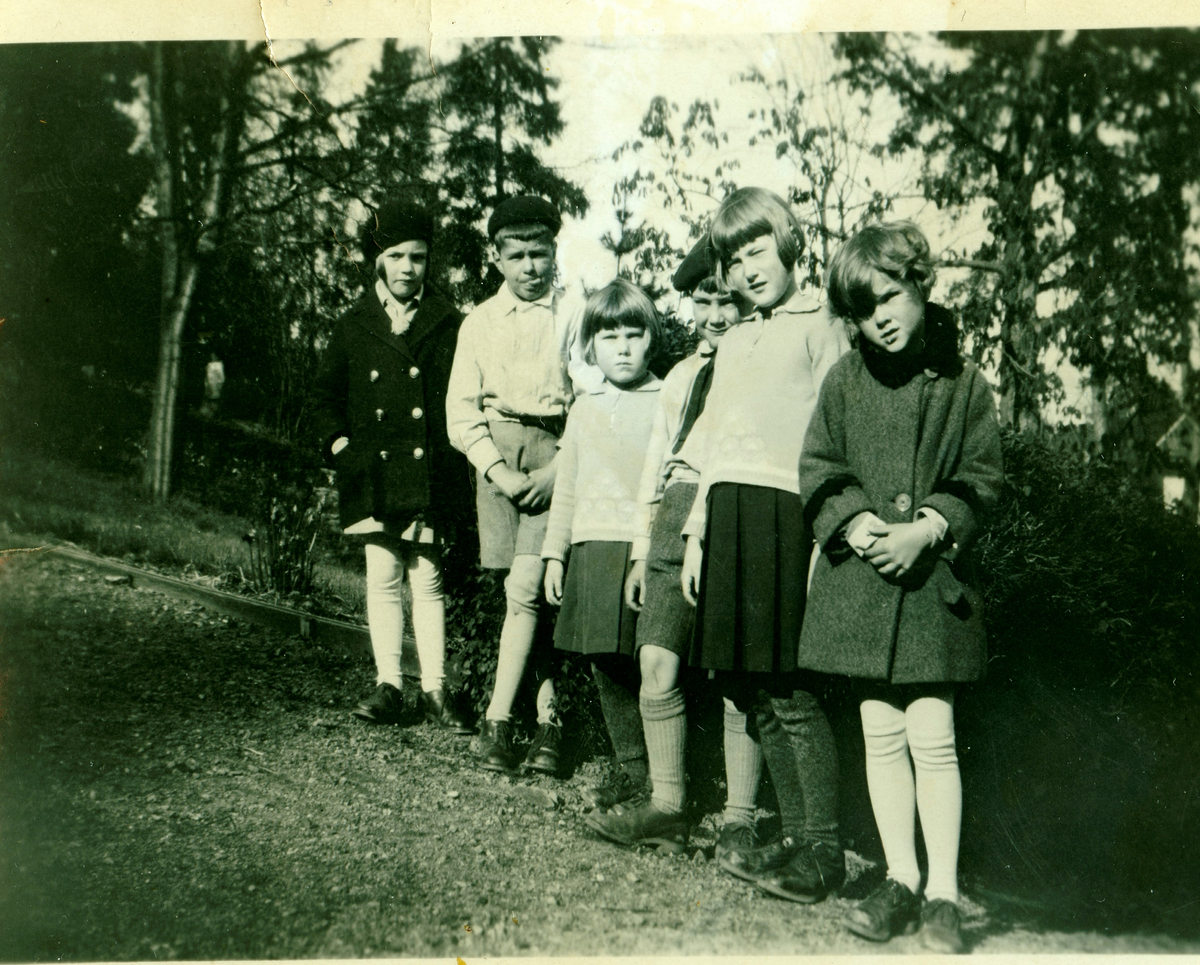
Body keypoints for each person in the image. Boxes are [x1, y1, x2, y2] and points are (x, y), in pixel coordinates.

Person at [797, 221, 1003, 952]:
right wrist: (850, 523)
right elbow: (819, 465)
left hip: (930, 586)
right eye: (863, 308)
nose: (880, 316)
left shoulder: (964, 382)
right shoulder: (845, 380)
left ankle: (944, 892)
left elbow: (982, 478)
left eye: (890, 295)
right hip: (862, 584)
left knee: (933, 734)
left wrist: (929, 526)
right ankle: (901, 877)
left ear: (921, 283)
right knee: (879, 731)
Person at [677, 187, 850, 902]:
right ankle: (799, 833)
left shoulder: (821, 321)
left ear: (785, 243)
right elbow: (712, 440)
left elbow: (839, 427)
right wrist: (695, 533)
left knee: (792, 687)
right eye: (733, 258)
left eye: (757, 251)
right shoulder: (736, 335)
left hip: (788, 514)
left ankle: (824, 848)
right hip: (729, 513)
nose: (747, 270)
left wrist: (823, 531)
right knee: (750, 688)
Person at [584, 236, 762, 854]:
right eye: (703, 302)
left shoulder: (761, 367)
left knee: (738, 668)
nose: (716, 315)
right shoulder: (682, 377)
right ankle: (668, 805)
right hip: (674, 507)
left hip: (736, 508)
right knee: (655, 660)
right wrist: (642, 547)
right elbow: (656, 465)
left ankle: (739, 815)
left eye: (727, 301)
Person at [446, 195, 602, 775]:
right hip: (499, 460)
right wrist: (501, 473)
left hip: (556, 453)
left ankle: (504, 722)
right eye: (517, 255)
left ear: (554, 252)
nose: (531, 267)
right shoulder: (479, 322)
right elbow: (461, 413)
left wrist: (558, 468)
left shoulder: (572, 313)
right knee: (520, 594)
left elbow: (591, 394)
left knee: (528, 588)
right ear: (496, 256)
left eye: (541, 253)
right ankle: (543, 722)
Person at [312, 199, 474, 735]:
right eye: (398, 256)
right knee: (382, 573)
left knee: (426, 576)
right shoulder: (354, 323)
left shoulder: (449, 321)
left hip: (428, 472)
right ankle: (389, 684)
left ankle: (435, 689)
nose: (409, 267)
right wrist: (340, 448)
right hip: (373, 470)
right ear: (378, 259)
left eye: (420, 257)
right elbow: (325, 396)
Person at [541, 278, 663, 804]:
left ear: (650, 339)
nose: (623, 348)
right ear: (589, 345)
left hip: (639, 551)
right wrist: (553, 554)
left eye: (634, 335)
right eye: (609, 338)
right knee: (602, 661)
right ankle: (631, 769)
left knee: (649, 663)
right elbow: (565, 486)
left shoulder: (666, 399)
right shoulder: (584, 408)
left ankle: (666, 774)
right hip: (591, 548)